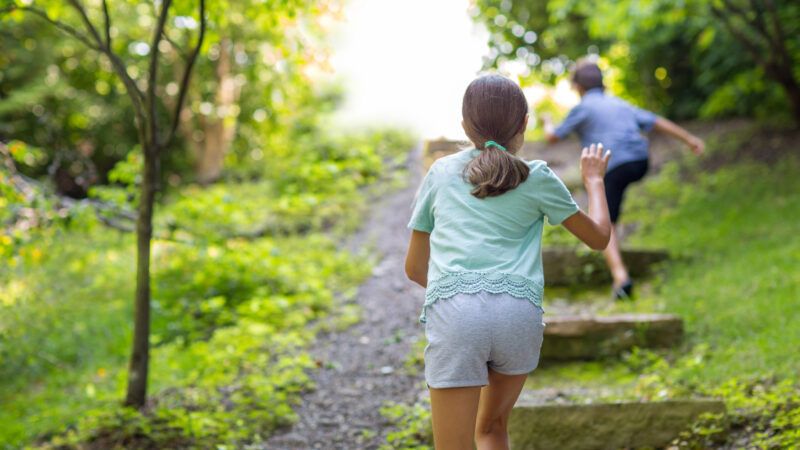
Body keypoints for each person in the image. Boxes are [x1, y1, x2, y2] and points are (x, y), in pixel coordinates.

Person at [404, 74, 612, 450]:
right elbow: (599, 238)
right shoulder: (538, 177)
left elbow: (415, 268)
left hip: (456, 312)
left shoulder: (441, 173)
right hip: (518, 313)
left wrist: (459, 293)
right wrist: (594, 180)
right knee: (492, 428)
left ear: (465, 126)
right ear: (524, 124)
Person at [543, 59, 705, 299]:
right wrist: (689, 139)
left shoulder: (583, 108)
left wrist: (547, 121)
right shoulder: (619, 104)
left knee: (602, 222)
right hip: (639, 161)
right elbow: (656, 121)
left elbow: (553, 138)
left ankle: (621, 278)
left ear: (578, 87)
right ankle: (620, 272)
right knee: (611, 205)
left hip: (613, 164)